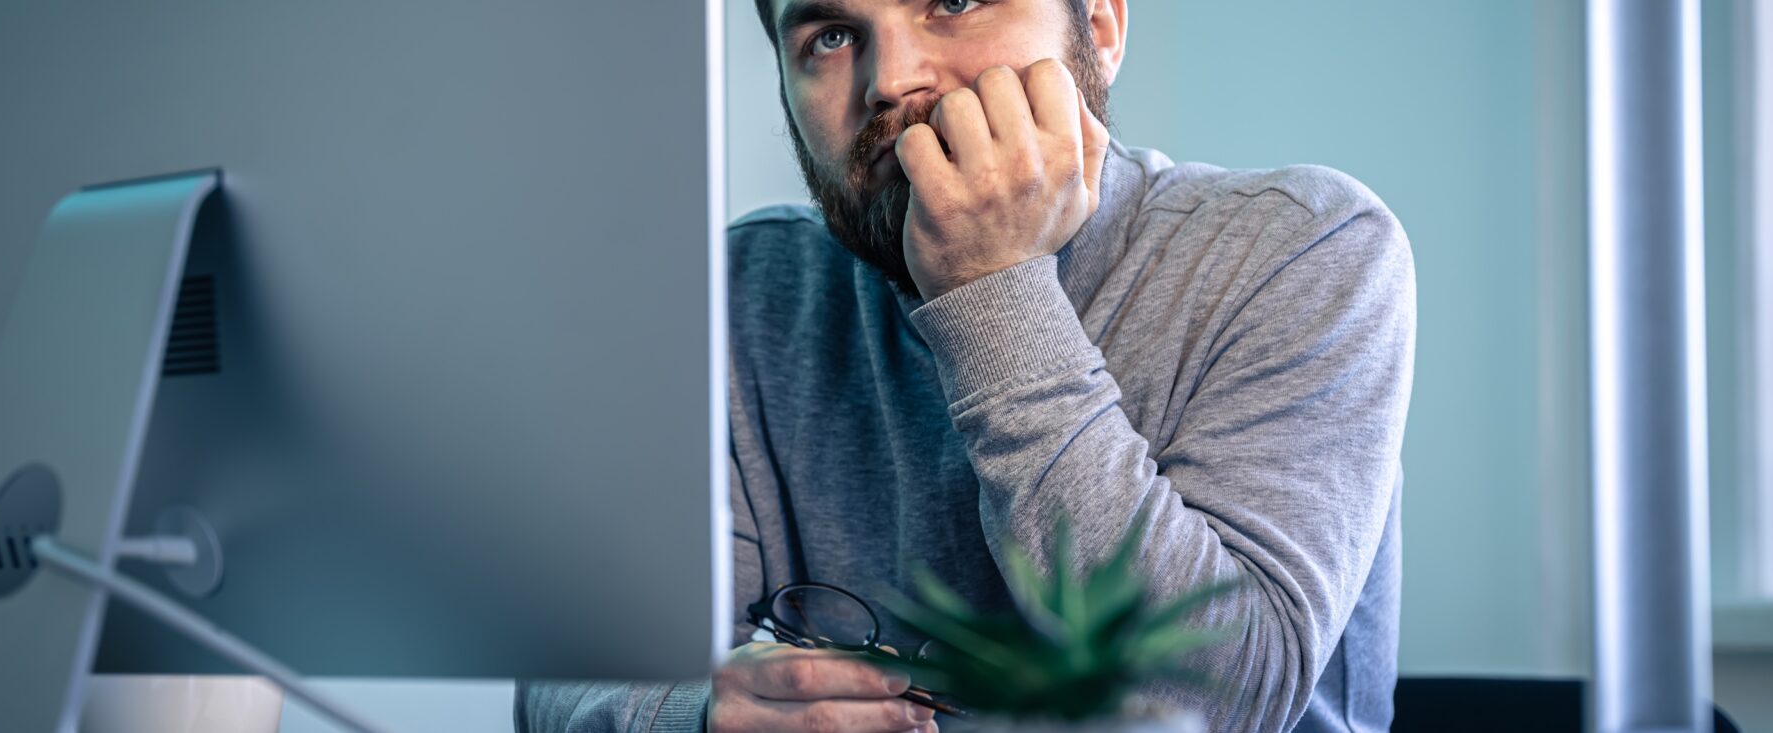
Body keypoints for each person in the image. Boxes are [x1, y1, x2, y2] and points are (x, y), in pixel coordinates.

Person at [518, 1, 1414, 731]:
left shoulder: (1303, 250)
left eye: (953, 0)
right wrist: (697, 713)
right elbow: (566, 676)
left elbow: (1223, 698)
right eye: (830, 36)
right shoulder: (742, 293)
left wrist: (991, 287)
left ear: (1099, 27)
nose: (892, 77)